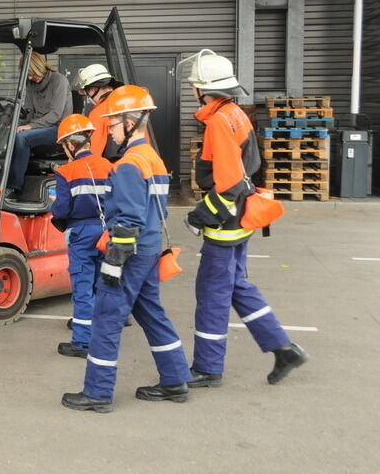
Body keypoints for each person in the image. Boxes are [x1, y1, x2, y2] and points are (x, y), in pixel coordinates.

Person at [62, 85, 192, 413]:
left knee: (106, 317)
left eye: (113, 124)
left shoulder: (129, 164)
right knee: (151, 313)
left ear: (130, 121)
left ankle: (98, 393)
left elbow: (129, 220)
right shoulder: (153, 160)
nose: (110, 130)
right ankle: (176, 378)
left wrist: (113, 263)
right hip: (150, 250)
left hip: (131, 254)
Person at [184, 49, 308, 388]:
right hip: (242, 217)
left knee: (212, 293)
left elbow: (228, 182)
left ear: (202, 89)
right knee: (238, 286)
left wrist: (201, 216)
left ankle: (208, 369)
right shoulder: (235, 113)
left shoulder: (219, 122)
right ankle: (283, 349)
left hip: (227, 222)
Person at [50, 114, 112, 358]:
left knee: (83, 286)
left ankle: (82, 342)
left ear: (70, 144)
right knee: (100, 284)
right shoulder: (109, 166)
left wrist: (55, 207)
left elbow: (63, 210)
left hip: (82, 233)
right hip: (107, 231)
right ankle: (99, 333)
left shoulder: (66, 172)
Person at [6, 52, 72, 194]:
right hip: (39, 127)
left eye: (31, 74)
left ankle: (14, 187)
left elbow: (55, 114)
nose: (30, 78)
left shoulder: (59, 81)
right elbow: (29, 112)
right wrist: (14, 123)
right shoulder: (31, 84)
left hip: (59, 128)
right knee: (9, 132)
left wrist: (30, 126)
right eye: (27, 75)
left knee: (22, 137)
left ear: (38, 68)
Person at [75, 63, 123, 158]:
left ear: (93, 89)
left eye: (87, 92)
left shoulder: (99, 111)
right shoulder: (126, 102)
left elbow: (94, 152)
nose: (88, 100)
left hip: (112, 168)